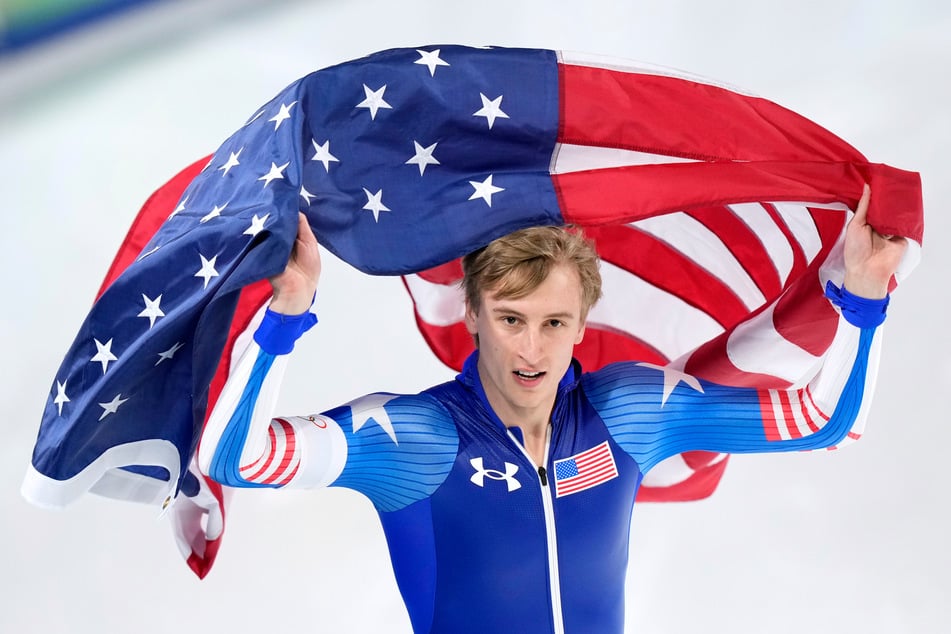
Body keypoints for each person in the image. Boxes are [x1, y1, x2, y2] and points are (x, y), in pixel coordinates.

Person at [198, 185, 906, 634]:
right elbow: (238, 458)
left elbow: (822, 422)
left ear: (583, 320)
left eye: (554, 323)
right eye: (509, 319)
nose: (531, 350)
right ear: (470, 314)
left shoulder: (631, 411)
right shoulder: (411, 437)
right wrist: (284, 320)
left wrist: (864, 302)